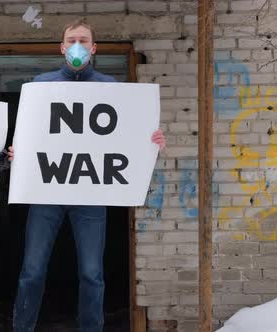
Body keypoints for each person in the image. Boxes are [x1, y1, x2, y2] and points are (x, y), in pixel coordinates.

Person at [9, 19, 166, 332]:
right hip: (47, 192)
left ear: (93, 48)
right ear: (62, 47)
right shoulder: (41, 86)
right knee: (32, 270)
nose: (77, 45)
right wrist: (18, 152)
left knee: (92, 273)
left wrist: (153, 142)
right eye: (71, 40)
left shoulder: (111, 89)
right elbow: (31, 134)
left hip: (90, 195)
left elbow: (128, 135)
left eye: (83, 40)